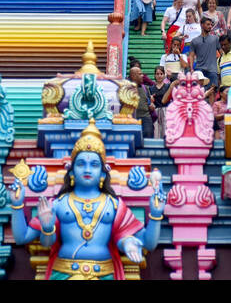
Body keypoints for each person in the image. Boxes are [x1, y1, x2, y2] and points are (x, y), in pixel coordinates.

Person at [9, 121, 165, 279]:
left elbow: (149, 243)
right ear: (71, 172)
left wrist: (155, 216)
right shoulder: (58, 204)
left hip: (103, 273)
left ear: (103, 174)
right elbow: (23, 237)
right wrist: (18, 206)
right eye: (81, 164)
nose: (87, 169)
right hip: (64, 272)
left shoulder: (114, 206)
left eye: (95, 164)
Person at [187, 16, 221, 92]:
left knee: (212, 91)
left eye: (211, 25)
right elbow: (191, 55)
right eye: (208, 24)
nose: (210, 26)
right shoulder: (194, 41)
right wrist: (192, 68)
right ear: (202, 25)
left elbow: (221, 52)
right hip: (199, 69)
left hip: (213, 70)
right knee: (197, 90)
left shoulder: (215, 38)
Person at [128, 62, 153, 138]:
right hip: (131, 119)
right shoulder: (126, 88)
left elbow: (149, 102)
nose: (143, 76)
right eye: (140, 74)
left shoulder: (145, 88)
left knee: (148, 139)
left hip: (146, 118)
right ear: (133, 76)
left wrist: (151, 105)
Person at [150, 66, 173, 137]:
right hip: (155, 112)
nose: (159, 76)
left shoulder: (168, 86)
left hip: (165, 111)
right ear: (154, 75)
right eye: (157, 74)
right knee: (156, 131)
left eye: (161, 74)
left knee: (166, 130)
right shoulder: (151, 88)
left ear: (164, 75)